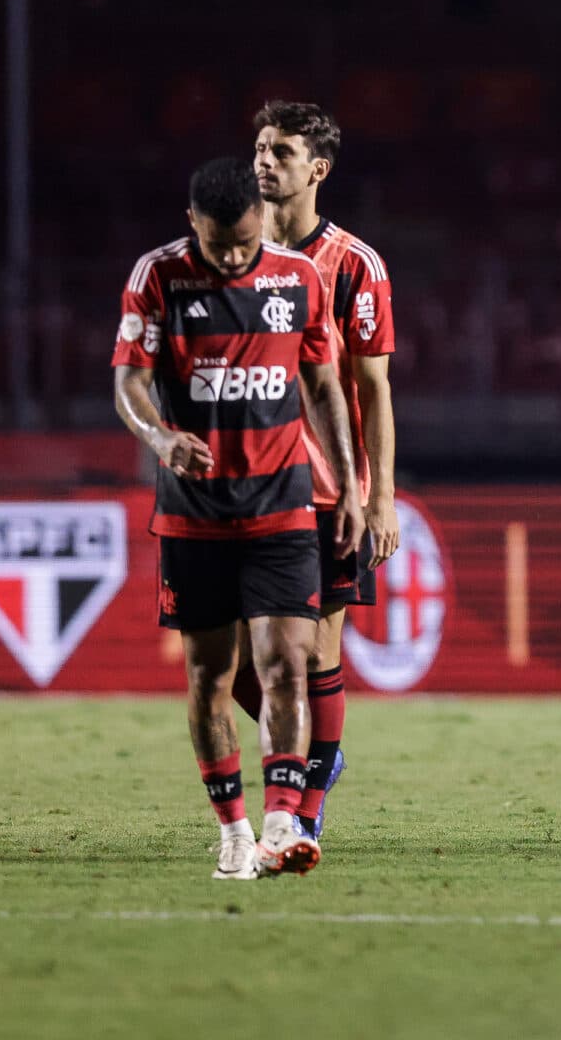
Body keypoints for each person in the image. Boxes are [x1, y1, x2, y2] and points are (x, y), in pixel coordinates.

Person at [113, 157, 362, 880]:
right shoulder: (156, 277)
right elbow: (127, 383)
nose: (233, 257)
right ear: (193, 223)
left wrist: (346, 486)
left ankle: (283, 825)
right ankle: (232, 829)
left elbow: (323, 385)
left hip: (282, 506)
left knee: (287, 663)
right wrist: (160, 437)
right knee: (210, 678)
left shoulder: (297, 277)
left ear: (261, 219)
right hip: (194, 516)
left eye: (245, 242)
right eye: (219, 245)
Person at [231, 101, 401, 842]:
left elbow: (372, 388)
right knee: (239, 669)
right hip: (236, 487)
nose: (265, 162)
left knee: (315, 651)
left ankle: (302, 813)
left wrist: (380, 495)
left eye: (283, 152)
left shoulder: (354, 264)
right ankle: (316, 756)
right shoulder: (227, 253)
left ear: (318, 170)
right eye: (261, 149)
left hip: (325, 490)